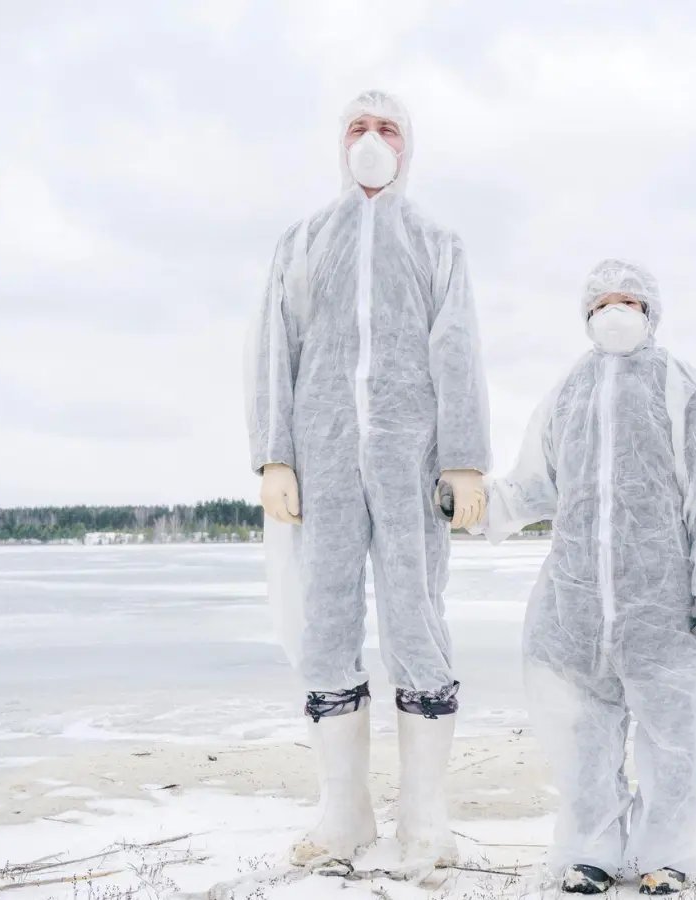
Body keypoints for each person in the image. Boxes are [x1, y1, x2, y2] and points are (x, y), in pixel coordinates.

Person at [244, 90, 491, 872]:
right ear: (338, 143)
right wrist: (274, 456)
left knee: (416, 620)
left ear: (408, 147)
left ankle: (425, 819)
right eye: (359, 127)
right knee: (326, 624)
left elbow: (458, 350)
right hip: (322, 467)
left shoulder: (435, 242)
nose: (372, 140)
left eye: (387, 128)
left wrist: (464, 458)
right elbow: (271, 348)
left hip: (411, 465)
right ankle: (343, 814)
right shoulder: (304, 241)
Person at [478, 260, 696, 894]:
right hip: (576, 607)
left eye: (628, 300)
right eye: (603, 301)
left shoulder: (684, 390)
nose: (616, 311)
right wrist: (476, 505)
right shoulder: (568, 392)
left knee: (674, 739)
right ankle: (591, 851)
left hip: (662, 607)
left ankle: (670, 856)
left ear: (651, 312)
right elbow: (535, 486)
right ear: (586, 314)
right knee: (584, 740)